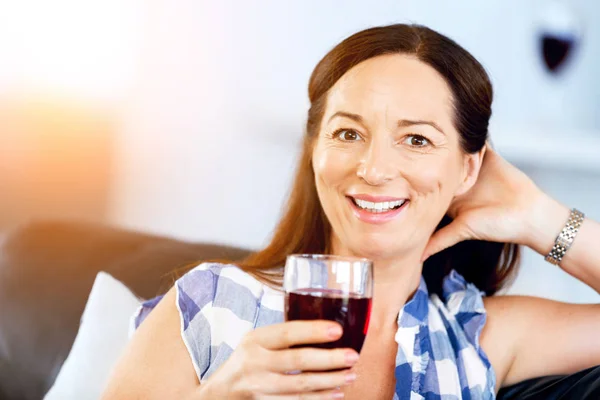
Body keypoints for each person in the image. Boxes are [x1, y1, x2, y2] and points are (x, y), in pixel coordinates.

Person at [102, 24, 600, 399]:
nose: (375, 169)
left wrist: (539, 216)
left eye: (417, 139)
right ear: (315, 150)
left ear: (466, 172)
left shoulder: (477, 336)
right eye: (347, 133)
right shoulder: (211, 306)